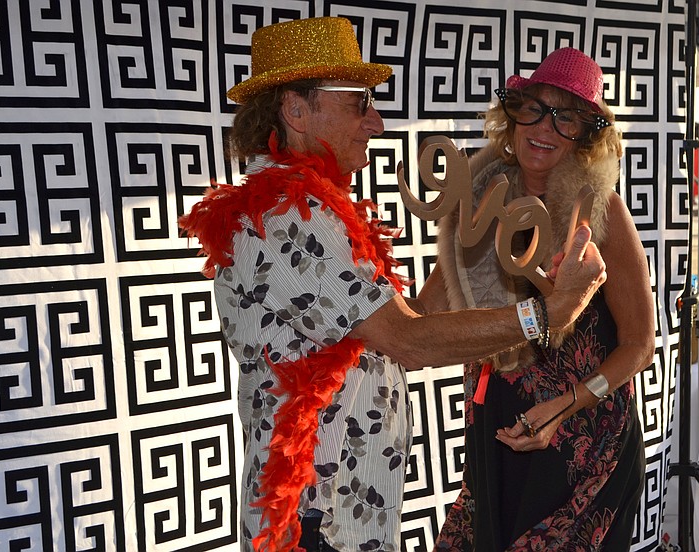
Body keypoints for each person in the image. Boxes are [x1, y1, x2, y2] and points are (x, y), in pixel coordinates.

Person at [178, 18, 608, 552]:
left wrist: (472, 244)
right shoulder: (284, 217)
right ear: (295, 110)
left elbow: (408, 325)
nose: (377, 123)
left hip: (351, 513)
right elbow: (408, 340)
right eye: (360, 104)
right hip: (317, 520)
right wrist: (548, 314)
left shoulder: (319, 212)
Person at [429, 47, 656, 550]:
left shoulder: (602, 214)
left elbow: (640, 346)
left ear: (587, 136)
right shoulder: (483, 204)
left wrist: (565, 406)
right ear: (512, 114)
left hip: (585, 449)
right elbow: (423, 314)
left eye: (566, 117)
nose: (544, 128)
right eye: (533, 108)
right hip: (498, 432)